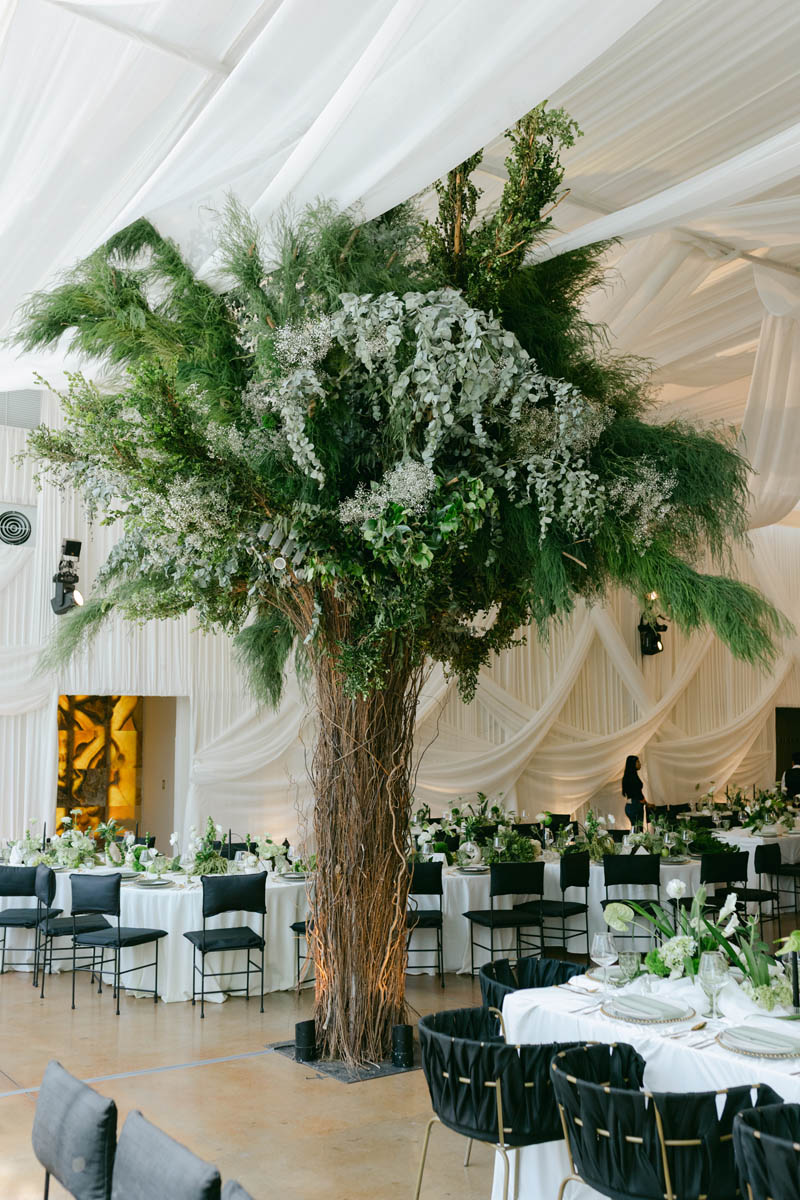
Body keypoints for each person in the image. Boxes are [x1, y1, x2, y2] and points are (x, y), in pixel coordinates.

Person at [621, 755, 647, 828]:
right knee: (638, 828)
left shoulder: (627, 776)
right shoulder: (633, 777)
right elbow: (637, 792)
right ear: (633, 764)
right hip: (635, 805)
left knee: (635, 827)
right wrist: (645, 802)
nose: (640, 763)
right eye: (638, 762)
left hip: (630, 805)